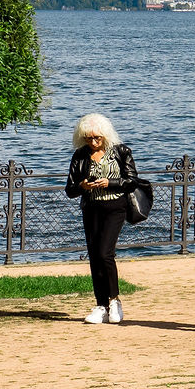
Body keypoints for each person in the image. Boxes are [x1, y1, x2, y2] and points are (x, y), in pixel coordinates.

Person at [64, 113, 138, 325]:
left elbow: (132, 180)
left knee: (105, 253)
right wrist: (82, 186)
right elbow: (69, 189)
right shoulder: (80, 155)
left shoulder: (121, 152)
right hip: (91, 208)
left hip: (115, 207)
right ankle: (101, 305)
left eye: (97, 138)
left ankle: (114, 300)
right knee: (95, 255)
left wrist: (110, 183)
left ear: (105, 135)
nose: (93, 142)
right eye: (89, 138)